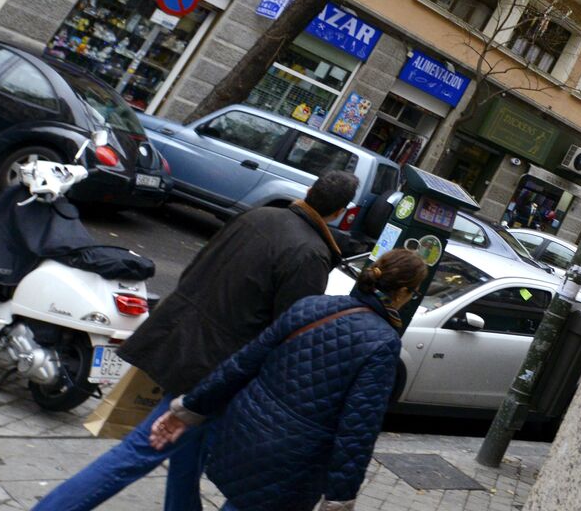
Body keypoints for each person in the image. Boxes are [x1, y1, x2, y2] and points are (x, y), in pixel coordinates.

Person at [34, 171, 360, 511]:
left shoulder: (259, 215)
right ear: (341, 213)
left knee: (186, 451)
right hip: (214, 369)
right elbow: (288, 331)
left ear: (310, 191)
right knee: (140, 451)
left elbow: (198, 266)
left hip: (181, 339)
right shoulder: (310, 253)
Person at [150, 249, 427, 511]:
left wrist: (190, 407)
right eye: (413, 292)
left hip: (245, 429)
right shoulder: (383, 343)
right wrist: (340, 496)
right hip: (293, 461)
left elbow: (244, 362)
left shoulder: (312, 306)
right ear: (402, 292)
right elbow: (358, 429)